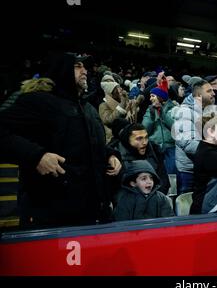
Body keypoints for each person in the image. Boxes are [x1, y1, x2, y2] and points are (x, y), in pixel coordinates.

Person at [0, 52, 122, 228]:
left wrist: (109, 155)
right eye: (77, 66)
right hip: (52, 215)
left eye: (85, 66)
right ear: (61, 69)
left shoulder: (88, 108)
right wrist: (36, 156)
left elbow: (88, 145)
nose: (85, 71)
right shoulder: (39, 101)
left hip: (93, 211)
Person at [172, 79, 217, 194]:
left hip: (203, 168)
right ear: (198, 95)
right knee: (187, 207)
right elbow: (188, 144)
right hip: (189, 172)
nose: (213, 93)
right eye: (209, 91)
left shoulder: (209, 111)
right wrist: (214, 149)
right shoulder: (185, 112)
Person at [108, 120, 170, 196]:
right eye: (139, 139)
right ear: (128, 140)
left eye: (146, 138)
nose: (144, 142)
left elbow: (163, 182)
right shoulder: (115, 157)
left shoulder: (154, 152)